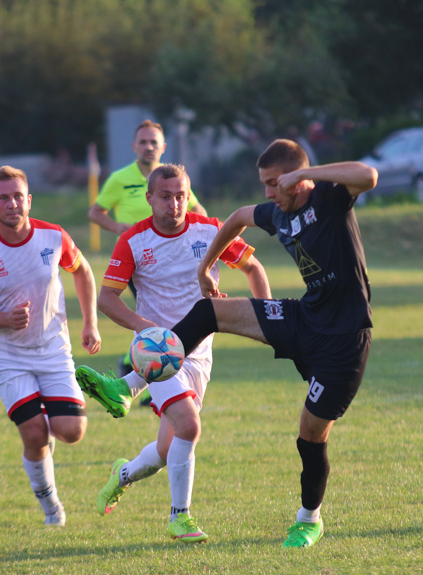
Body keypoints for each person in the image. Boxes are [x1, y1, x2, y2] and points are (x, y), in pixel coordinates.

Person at [79, 139, 378, 548]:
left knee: (310, 434)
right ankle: (129, 387)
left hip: (344, 339)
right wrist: (206, 269)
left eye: (275, 184)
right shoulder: (276, 212)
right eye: (265, 185)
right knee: (209, 314)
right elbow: (238, 216)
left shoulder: (328, 197)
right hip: (303, 318)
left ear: (295, 178)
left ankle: (309, 519)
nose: (269, 194)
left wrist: (307, 174)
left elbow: (369, 175)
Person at [76, 163, 270, 543]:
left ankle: (124, 470)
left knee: (168, 450)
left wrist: (268, 316)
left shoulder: (210, 230)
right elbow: (106, 298)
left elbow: (253, 267)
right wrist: (144, 328)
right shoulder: (134, 240)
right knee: (190, 427)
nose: (174, 204)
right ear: (150, 199)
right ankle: (180, 517)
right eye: (165, 196)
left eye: (181, 195)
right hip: (157, 355)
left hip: (199, 355)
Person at [0, 165, 101, 527]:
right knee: (35, 432)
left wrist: (90, 323)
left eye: (18, 196)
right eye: (3, 198)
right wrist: (4, 319)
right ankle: (51, 505)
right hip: (9, 356)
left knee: (71, 431)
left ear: (29, 200)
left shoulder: (54, 237)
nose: (12, 204)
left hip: (53, 349)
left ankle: (45, 437)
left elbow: (83, 272)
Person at [89, 120, 208, 402]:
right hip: (139, 257)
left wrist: (207, 241)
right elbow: (96, 212)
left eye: (154, 142)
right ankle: (148, 380)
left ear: (163, 147)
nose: (148, 147)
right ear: (134, 147)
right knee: (158, 318)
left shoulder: (172, 178)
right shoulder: (120, 178)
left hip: (174, 254)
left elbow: (196, 209)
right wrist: (118, 228)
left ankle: (134, 379)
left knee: (170, 320)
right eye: (143, 142)